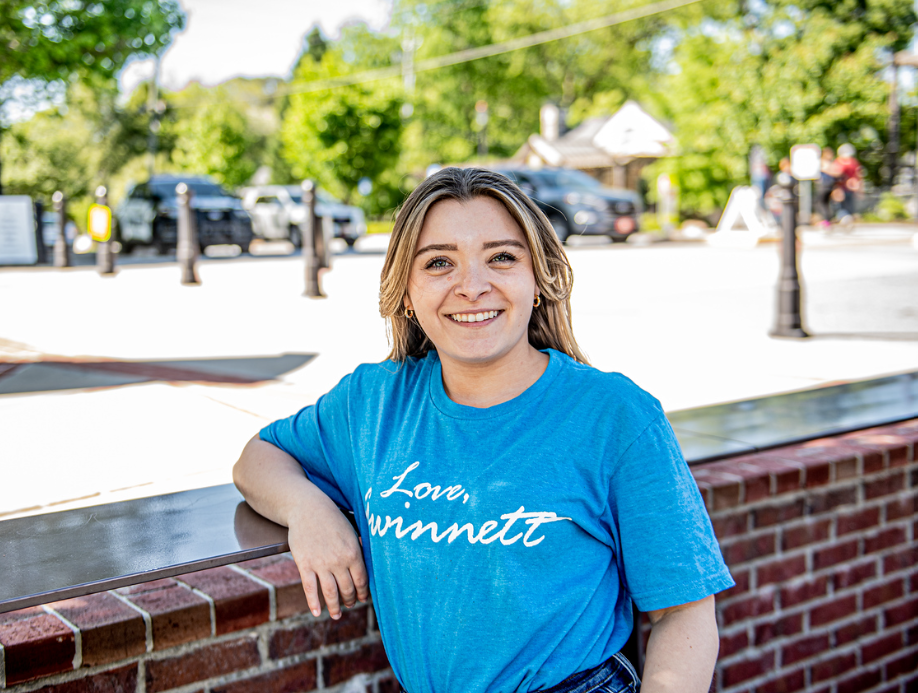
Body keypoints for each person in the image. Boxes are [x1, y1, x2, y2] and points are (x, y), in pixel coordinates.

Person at [233, 167, 734, 693]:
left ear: (537, 280)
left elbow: (685, 613)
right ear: (406, 291)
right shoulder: (372, 403)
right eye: (440, 263)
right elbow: (257, 459)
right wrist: (307, 511)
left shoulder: (614, 415)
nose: (472, 287)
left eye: (501, 257)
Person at [816, 147, 843, 226]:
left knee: (822, 203)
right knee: (824, 203)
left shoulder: (825, 162)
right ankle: (827, 219)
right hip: (826, 185)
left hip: (825, 185)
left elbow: (837, 172)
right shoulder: (825, 162)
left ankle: (826, 220)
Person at [835, 144, 863, 219]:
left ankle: (848, 217)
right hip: (841, 187)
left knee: (849, 205)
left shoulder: (853, 162)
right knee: (841, 205)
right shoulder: (839, 162)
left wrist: (859, 187)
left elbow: (858, 175)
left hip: (849, 188)